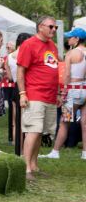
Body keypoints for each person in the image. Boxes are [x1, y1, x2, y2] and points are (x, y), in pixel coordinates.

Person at [17, 16, 60, 180]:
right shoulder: (29, 44)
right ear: (40, 27)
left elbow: (54, 70)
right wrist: (22, 94)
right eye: (51, 27)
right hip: (34, 94)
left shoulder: (53, 46)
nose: (54, 30)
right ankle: (26, 168)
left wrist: (57, 93)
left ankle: (34, 165)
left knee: (41, 132)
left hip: (49, 96)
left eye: (55, 27)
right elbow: (20, 71)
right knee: (33, 130)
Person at [40, 27, 86, 160]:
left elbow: (66, 74)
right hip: (85, 88)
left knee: (64, 122)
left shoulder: (71, 54)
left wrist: (62, 91)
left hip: (73, 89)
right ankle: (85, 153)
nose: (68, 39)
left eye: (70, 37)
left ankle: (55, 151)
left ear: (77, 39)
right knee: (85, 123)